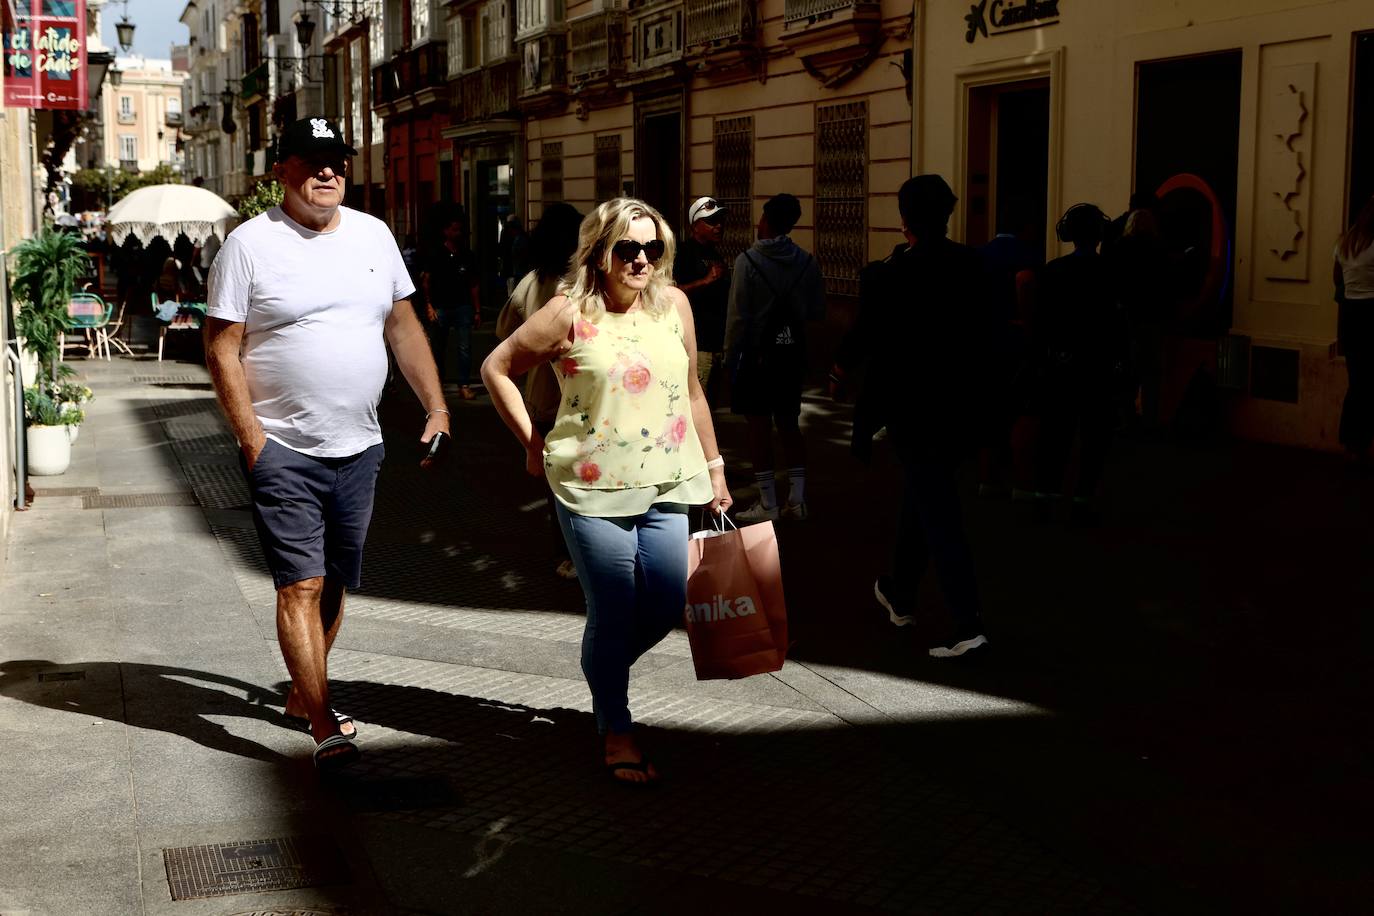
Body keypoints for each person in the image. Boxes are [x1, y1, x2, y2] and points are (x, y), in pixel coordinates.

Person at [204, 116, 450, 773]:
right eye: (312, 161)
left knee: (337, 579)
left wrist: (436, 404)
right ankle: (322, 723)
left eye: (336, 160)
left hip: (360, 447)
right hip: (282, 447)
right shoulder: (250, 246)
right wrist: (252, 438)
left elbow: (401, 325)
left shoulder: (373, 235)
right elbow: (221, 345)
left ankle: (300, 695)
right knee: (301, 585)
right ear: (282, 169)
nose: (327, 172)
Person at [481, 197, 732, 785]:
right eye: (628, 248)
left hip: (671, 479)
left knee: (667, 605)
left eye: (653, 248)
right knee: (614, 608)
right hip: (590, 488)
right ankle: (615, 725)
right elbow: (499, 366)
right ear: (599, 253)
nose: (642, 259)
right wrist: (532, 441)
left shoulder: (674, 306)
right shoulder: (568, 312)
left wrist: (717, 468)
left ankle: (603, 670)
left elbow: (692, 392)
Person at [832, 175, 991, 658]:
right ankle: (899, 591)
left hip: (913, 413)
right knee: (925, 497)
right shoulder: (973, 264)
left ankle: (968, 624)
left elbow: (866, 333)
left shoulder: (889, 274)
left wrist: (840, 368)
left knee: (939, 513)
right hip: (961, 409)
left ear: (905, 219)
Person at [494, 202, 584, 579]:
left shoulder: (532, 282)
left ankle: (565, 553)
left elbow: (503, 332)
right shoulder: (582, 284)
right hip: (580, 398)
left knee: (557, 484)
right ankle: (583, 554)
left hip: (542, 400)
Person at [725, 193, 824, 522]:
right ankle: (797, 499)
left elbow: (737, 317)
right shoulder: (808, 262)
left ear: (765, 220)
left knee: (758, 428)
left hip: (757, 359)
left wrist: (731, 358)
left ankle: (768, 503)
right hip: (790, 356)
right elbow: (815, 311)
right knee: (789, 424)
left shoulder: (747, 262)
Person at [1032, 203, 1130, 524]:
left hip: (1062, 365)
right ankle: (1082, 498)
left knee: (1055, 434)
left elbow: (1042, 320)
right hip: (1099, 366)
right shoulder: (1112, 272)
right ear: (1099, 235)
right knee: (1095, 437)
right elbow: (1119, 324)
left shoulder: (1053, 270)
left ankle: (1046, 497)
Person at [674, 196, 732, 397]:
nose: (718, 226)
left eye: (720, 221)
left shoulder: (716, 254)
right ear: (695, 225)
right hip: (697, 344)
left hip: (717, 342)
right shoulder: (682, 253)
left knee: (712, 405)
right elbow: (671, 293)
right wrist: (704, 281)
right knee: (697, 402)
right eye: (711, 221)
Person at [422, 214, 482, 399]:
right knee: (439, 348)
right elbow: (426, 281)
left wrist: (477, 310)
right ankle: (438, 385)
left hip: (463, 306)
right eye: (454, 229)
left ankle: (463, 384)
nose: (458, 233)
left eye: (459, 229)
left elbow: (474, 284)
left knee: (464, 348)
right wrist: (429, 306)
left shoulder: (467, 254)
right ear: (446, 231)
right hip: (441, 307)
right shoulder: (436, 254)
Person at [1336, 195, 1374, 465]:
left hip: (1350, 315)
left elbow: (1336, 279)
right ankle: (1360, 444)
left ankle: (1351, 444)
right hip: (1371, 314)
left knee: (1357, 382)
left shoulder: (1344, 243)